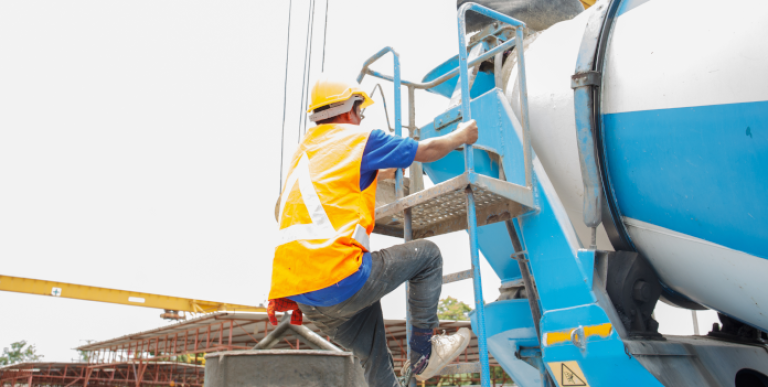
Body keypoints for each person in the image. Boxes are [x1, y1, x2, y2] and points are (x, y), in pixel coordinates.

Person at [268, 74, 478, 387]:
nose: (360, 118)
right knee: (428, 256)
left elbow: (340, 183)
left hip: (305, 297)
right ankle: (424, 353)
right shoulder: (358, 139)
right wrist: (462, 136)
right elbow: (430, 149)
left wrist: (386, 168)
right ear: (349, 109)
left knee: (377, 365)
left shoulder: (306, 154)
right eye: (360, 111)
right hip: (340, 276)